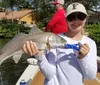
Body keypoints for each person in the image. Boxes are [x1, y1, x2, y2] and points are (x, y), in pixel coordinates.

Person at [23, 2, 97, 85]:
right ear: (66, 19)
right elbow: (49, 74)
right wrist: (39, 55)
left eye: (80, 16)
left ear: (85, 19)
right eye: (71, 17)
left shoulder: (91, 43)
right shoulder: (55, 40)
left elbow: (90, 77)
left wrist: (83, 58)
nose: (76, 20)